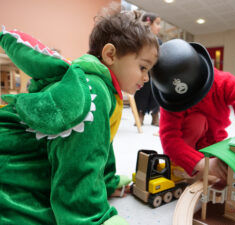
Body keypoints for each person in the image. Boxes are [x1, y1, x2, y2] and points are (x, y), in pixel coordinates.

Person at [0, 11, 158, 225]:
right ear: (110, 55)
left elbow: (99, 146)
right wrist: (91, 218)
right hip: (11, 166)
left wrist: (107, 182)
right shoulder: (91, 93)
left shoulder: (105, 89)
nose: (147, 78)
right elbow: (78, 164)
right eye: (142, 67)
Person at [150, 39, 235, 183]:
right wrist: (202, 164)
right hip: (184, 153)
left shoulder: (226, 83)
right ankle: (186, 168)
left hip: (215, 145)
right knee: (196, 121)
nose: (193, 103)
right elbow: (169, 138)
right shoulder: (172, 100)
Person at [134, 12, 161, 126]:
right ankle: (140, 114)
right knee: (142, 91)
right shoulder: (141, 39)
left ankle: (155, 114)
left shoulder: (158, 41)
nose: (159, 27)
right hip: (143, 70)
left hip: (155, 71)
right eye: (157, 24)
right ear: (149, 23)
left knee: (156, 92)